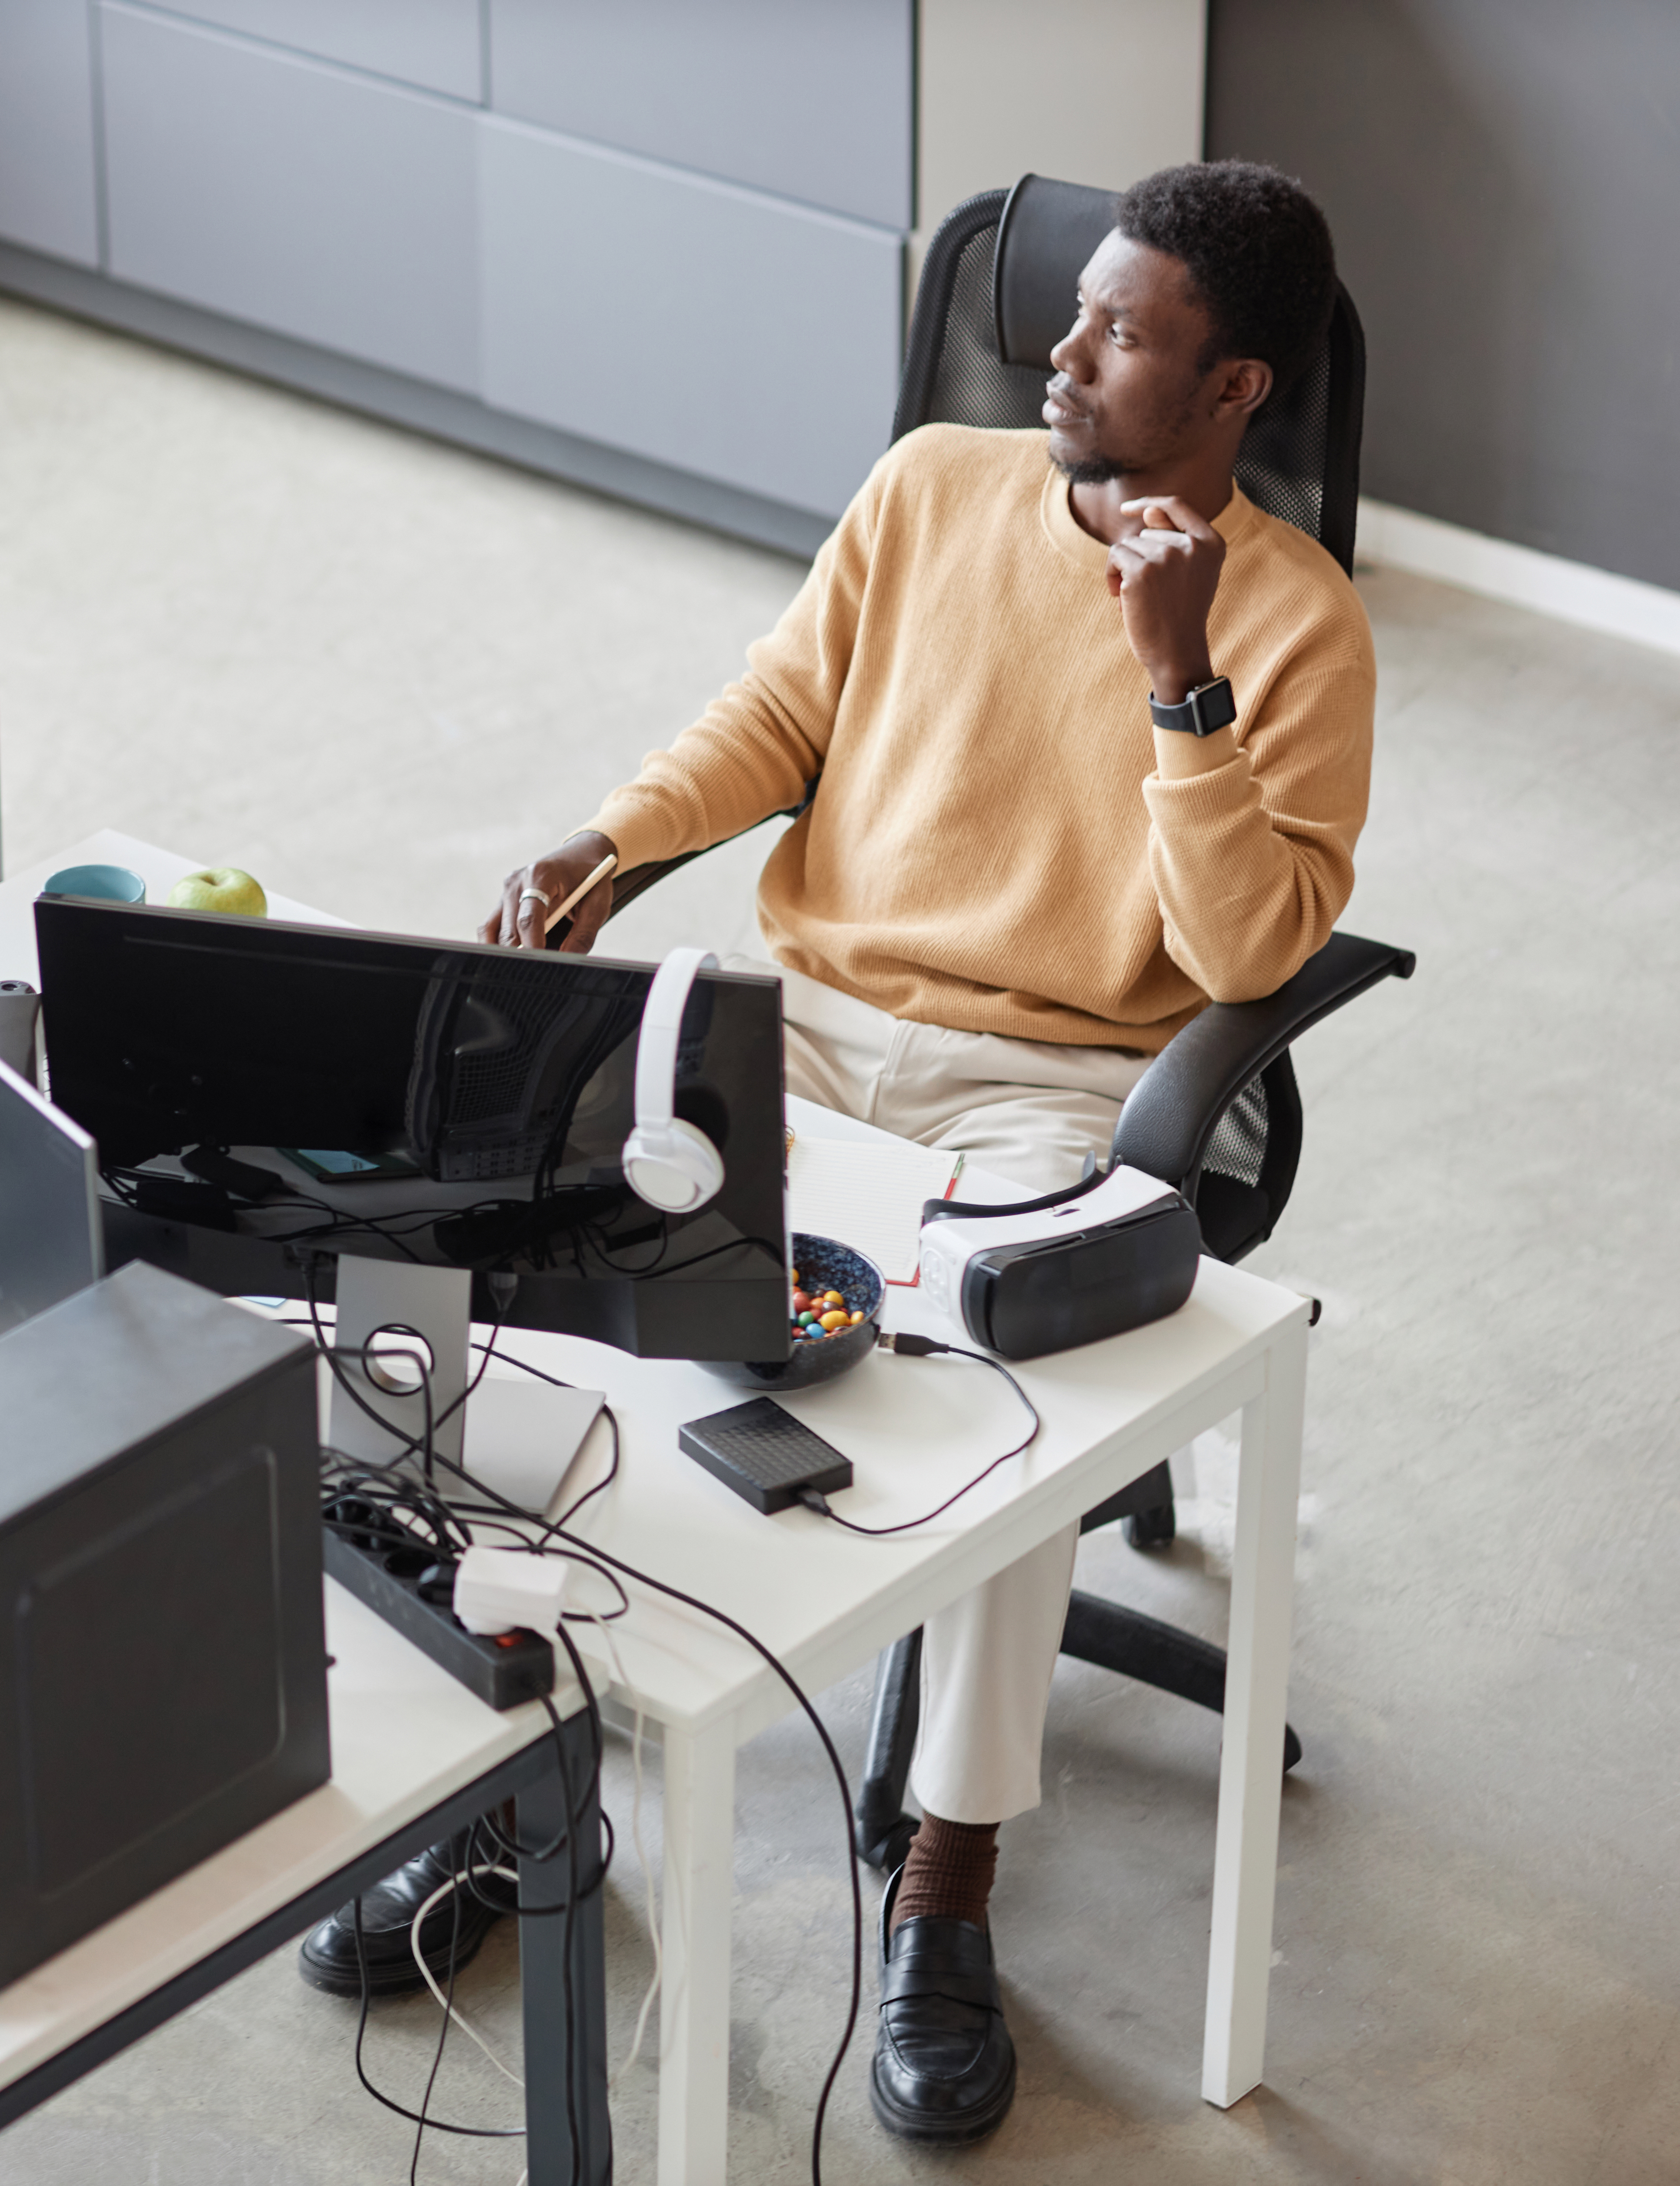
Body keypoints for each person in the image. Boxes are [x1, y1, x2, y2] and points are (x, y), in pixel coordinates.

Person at [304, 161, 1371, 2146]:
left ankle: (943, 1875)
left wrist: (1179, 681)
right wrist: (612, 841)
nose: (1059, 349)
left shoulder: (1295, 630)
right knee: (524, 1274)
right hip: (797, 1021)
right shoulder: (931, 492)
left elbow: (1240, 956)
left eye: (1122, 333)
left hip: (1050, 1075)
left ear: (1232, 392)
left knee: (1012, 1420)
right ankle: (525, 1777)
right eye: (1073, 313)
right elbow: (783, 711)